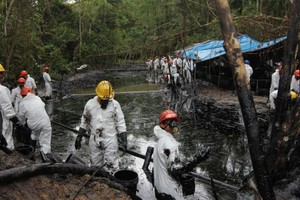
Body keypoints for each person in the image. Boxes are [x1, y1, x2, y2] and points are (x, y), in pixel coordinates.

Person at [153, 109, 209, 199]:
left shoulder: (160, 141)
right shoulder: (169, 143)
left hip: (159, 189)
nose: (174, 128)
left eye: (175, 124)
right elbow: (176, 169)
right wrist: (197, 159)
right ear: (162, 125)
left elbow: (168, 163)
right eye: (171, 124)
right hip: (169, 193)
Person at [75, 80, 127, 174]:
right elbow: (84, 123)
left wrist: (124, 140)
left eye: (107, 100)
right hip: (95, 140)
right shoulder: (90, 104)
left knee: (112, 166)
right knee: (95, 167)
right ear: (98, 95)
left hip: (110, 140)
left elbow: (121, 123)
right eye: (103, 100)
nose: (105, 102)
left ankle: (112, 183)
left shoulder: (115, 105)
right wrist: (79, 137)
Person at [18, 86, 52, 154]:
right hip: (45, 121)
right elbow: (42, 105)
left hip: (33, 124)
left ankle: (32, 151)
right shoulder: (37, 98)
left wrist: (22, 124)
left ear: (22, 95)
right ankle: (44, 157)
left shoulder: (22, 103)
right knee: (45, 142)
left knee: (34, 135)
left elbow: (21, 118)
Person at [0, 64, 21, 150]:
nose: (2, 75)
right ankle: (8, 152)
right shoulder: (2, 89)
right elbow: (7, 107)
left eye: (2, 73)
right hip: (3, 117)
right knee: (6, 134)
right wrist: (15, 120)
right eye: (0, 73)